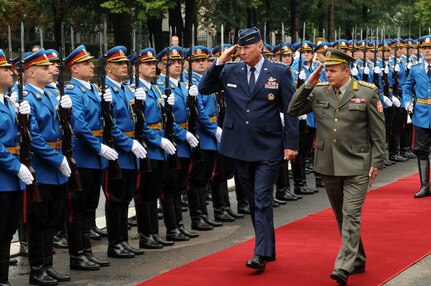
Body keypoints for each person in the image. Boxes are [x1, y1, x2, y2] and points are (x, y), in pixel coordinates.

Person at [199, 27, 299, 271]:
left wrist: (291, 144)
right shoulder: (230, 70)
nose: (242, 52)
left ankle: (259, 253)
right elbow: (204, 87)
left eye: (246, 48)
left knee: (263, 197)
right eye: (239, 48)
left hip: (268, 145)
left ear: (260, 46)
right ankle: (267, 249)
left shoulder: (279, 72)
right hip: (239, 146)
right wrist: (220, 61)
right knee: (255, 201)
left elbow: (291, 109)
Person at [288, 48, 386, 285]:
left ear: (346, 71)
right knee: (341, 216)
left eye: (332, 71)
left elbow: (378, 132)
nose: (327, 74)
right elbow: (293, 109)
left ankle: (343, 265)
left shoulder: (367, 92)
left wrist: (376, 162)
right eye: (326, 70)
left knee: (351, 214)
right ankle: (358, 258)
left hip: (357, 164)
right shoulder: (320, 91)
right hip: (329, 163)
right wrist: (308, 84)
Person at [24, 49, 73, 285]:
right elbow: (33, 136)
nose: (50, 70)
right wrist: (57, 159)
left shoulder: (50, 94)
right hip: (43, 167)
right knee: (39, 220)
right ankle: (37, 269)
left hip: (55, 166)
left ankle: (48, 264)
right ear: (31, 73)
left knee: (53, 217)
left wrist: (67, 110)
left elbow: (64, 128)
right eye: (44, 68)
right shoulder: (26, 98)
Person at [65, 45, 112, 270]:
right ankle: (77, 255)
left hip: (94, 157)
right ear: (74, 69)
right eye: (86, 63)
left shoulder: (92, 89)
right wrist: (99, 148)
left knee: (91, 205)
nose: (92, 66)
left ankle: (86, 251)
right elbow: (81, 127)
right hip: (84, 156)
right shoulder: (73, 92)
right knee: (78, 206)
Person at [103, 46, 147, 258]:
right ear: (108, 68)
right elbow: (109, 125)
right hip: (118, 153)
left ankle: (123, 240)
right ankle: (114, 243)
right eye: (119, 64)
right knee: (115, 199)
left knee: (126, 197)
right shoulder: (106, 91)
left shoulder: (126, 89)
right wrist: (127, 143)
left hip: (131, 152)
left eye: (126, 64)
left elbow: (136, 119)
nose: (124, 67)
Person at [0, 49, 33, 285]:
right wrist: (15, 166)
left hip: (12, 177)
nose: (11, 72)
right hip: (3, 175)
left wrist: (25, 119)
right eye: (4, 69)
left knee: (8, 229)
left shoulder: (9, 101)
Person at [402, 35, 431, 198]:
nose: (427, 51)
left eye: (430, 48)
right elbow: (406, 89)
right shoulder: (415, 69)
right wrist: (407, 102)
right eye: (425, 48)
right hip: (421, 115)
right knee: (421, 150)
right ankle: (425, 186)